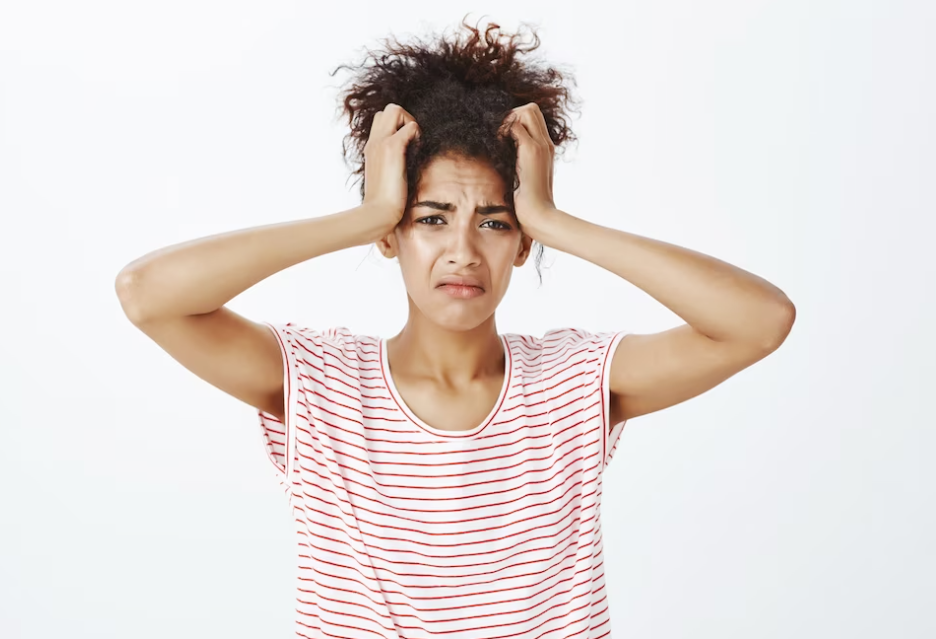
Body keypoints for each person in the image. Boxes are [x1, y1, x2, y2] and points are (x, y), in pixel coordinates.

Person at [115, 17, 795, 639]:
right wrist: (367, 213)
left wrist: (556, 221)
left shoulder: (573, 382)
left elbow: (760, 322)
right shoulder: (320, 384)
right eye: (431, 218)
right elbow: (148, 294)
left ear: (521, 242)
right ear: (394, 235)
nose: (463, 251)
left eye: (494, 222)